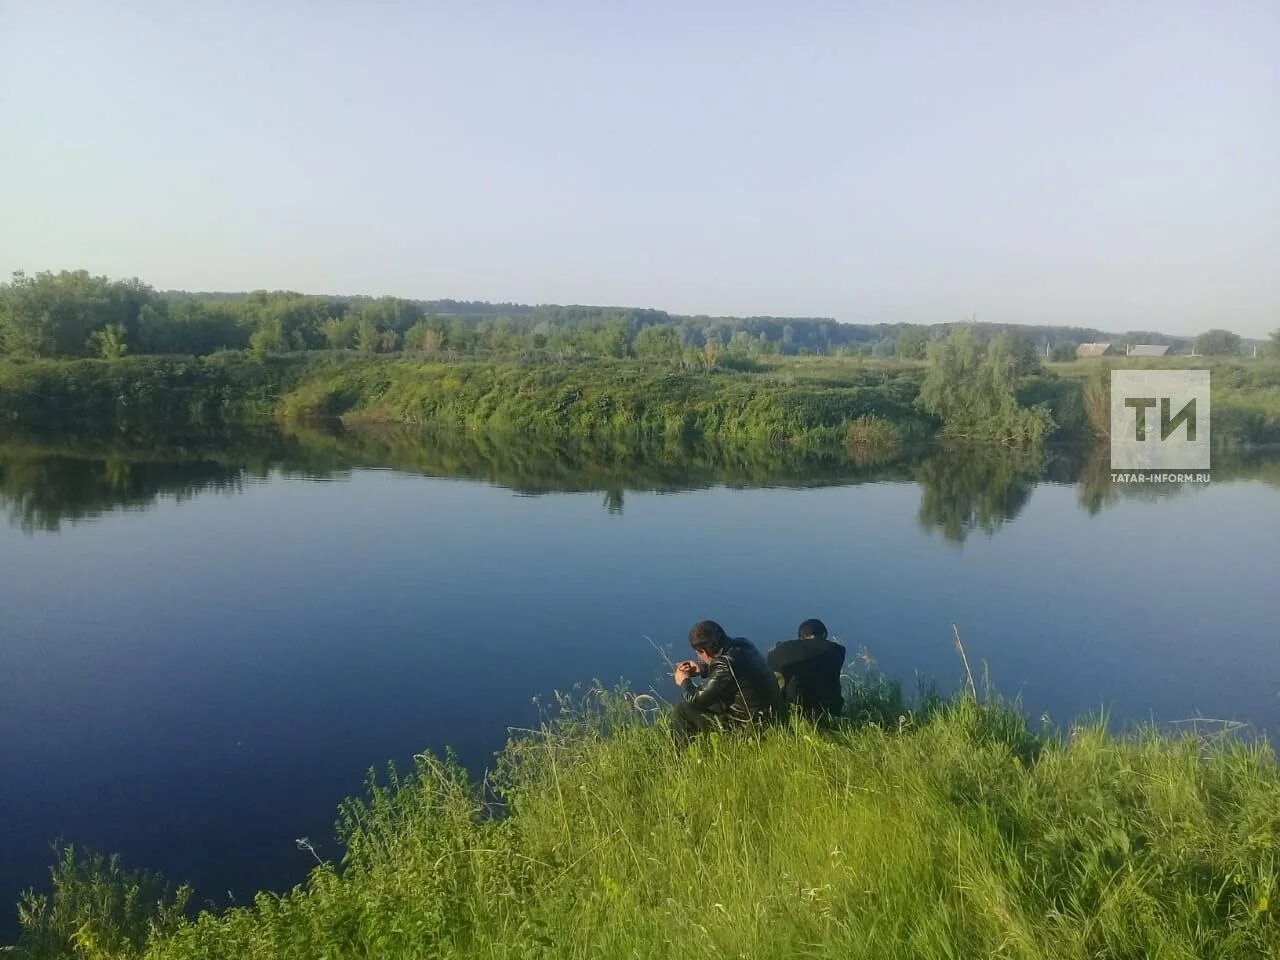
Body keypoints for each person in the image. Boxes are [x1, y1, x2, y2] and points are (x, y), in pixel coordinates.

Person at [671, 619, 783, 745]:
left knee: (683, 709)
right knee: (711, 700)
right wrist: (702, 667)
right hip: (772, 715)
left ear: (704, 651)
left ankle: (681, 756)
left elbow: (695, 700)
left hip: (750, 726)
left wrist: (684, 680)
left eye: (699, 653)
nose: (698, 656)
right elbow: (732, 669)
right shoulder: (742, 644)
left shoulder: (724, 664)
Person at [767, 618, 845, 720]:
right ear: (824, 635)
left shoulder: (784, 649)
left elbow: (768, 664)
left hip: (796, 711)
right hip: (830, 711)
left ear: (800, 636)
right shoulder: (838, 650)